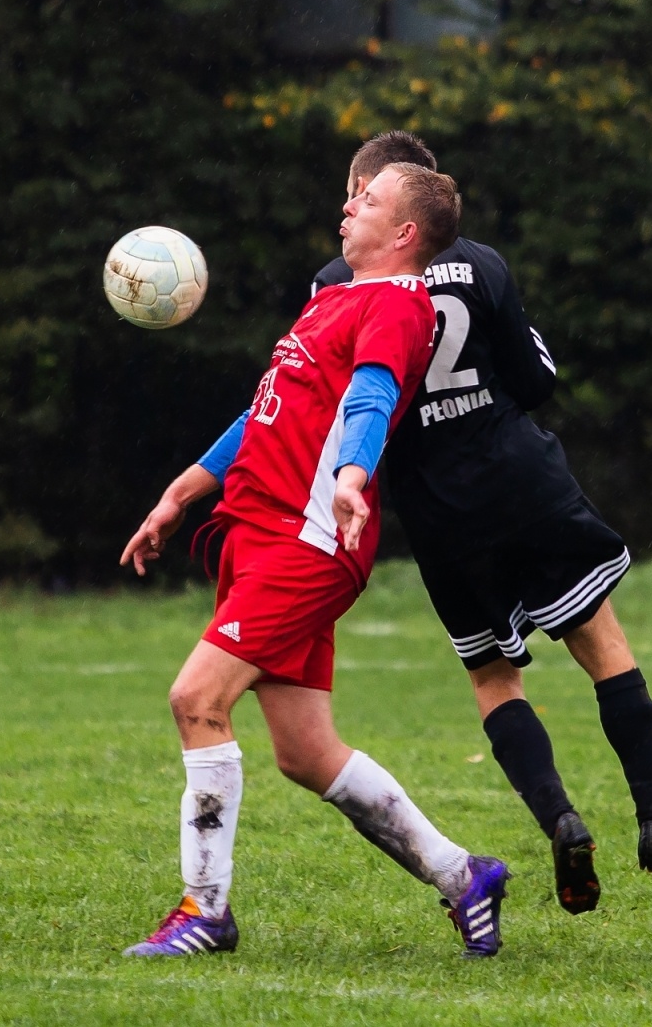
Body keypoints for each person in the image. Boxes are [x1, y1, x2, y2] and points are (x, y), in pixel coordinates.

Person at [118, 163, 511, 959]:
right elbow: (266, 409)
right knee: (305, 753)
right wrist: (181, 493)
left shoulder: (399, 307)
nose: (346, 205)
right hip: (258, 535)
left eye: (366, 200)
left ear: (404, 233)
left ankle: (205, 909)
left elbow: (371, 398)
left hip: (307, 541)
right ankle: (464, 875)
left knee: (196, 698)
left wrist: (353, 475)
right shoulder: (333, 298)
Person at [311, 132, 652, 916]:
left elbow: (339, 400)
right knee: (605, 649)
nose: (349, 208)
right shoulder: (482, 264)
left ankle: (561, 818)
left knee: (495, 680)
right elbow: (534, 381)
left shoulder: (334, 285)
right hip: (521, 482)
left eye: (361, 194)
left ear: (394, 206)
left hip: (439, 511)